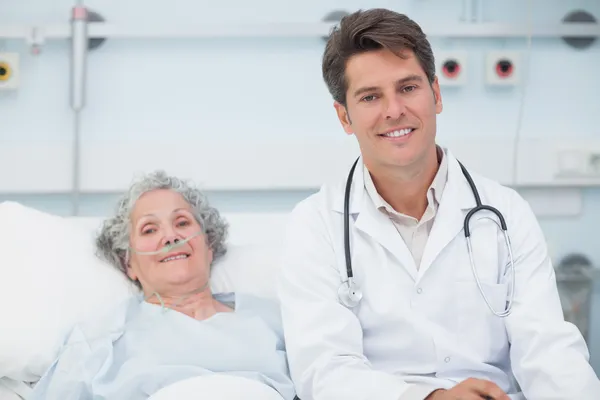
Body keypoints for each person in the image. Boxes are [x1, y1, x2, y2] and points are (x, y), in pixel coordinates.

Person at [277, 8, 600, 400]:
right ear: (344, 116)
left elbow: (548, 350)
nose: (394, 110)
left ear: (436, 94)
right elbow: (324, 371)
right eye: (371, 96)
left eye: (408, 88)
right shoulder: (314, 226)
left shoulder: (506, 213)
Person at [29, 171, 296, 400]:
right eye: (149, 229)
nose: (171, 236)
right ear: (129, 263)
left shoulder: (278, 320)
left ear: (209, 245)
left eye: (182, 222)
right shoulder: (99, 337)